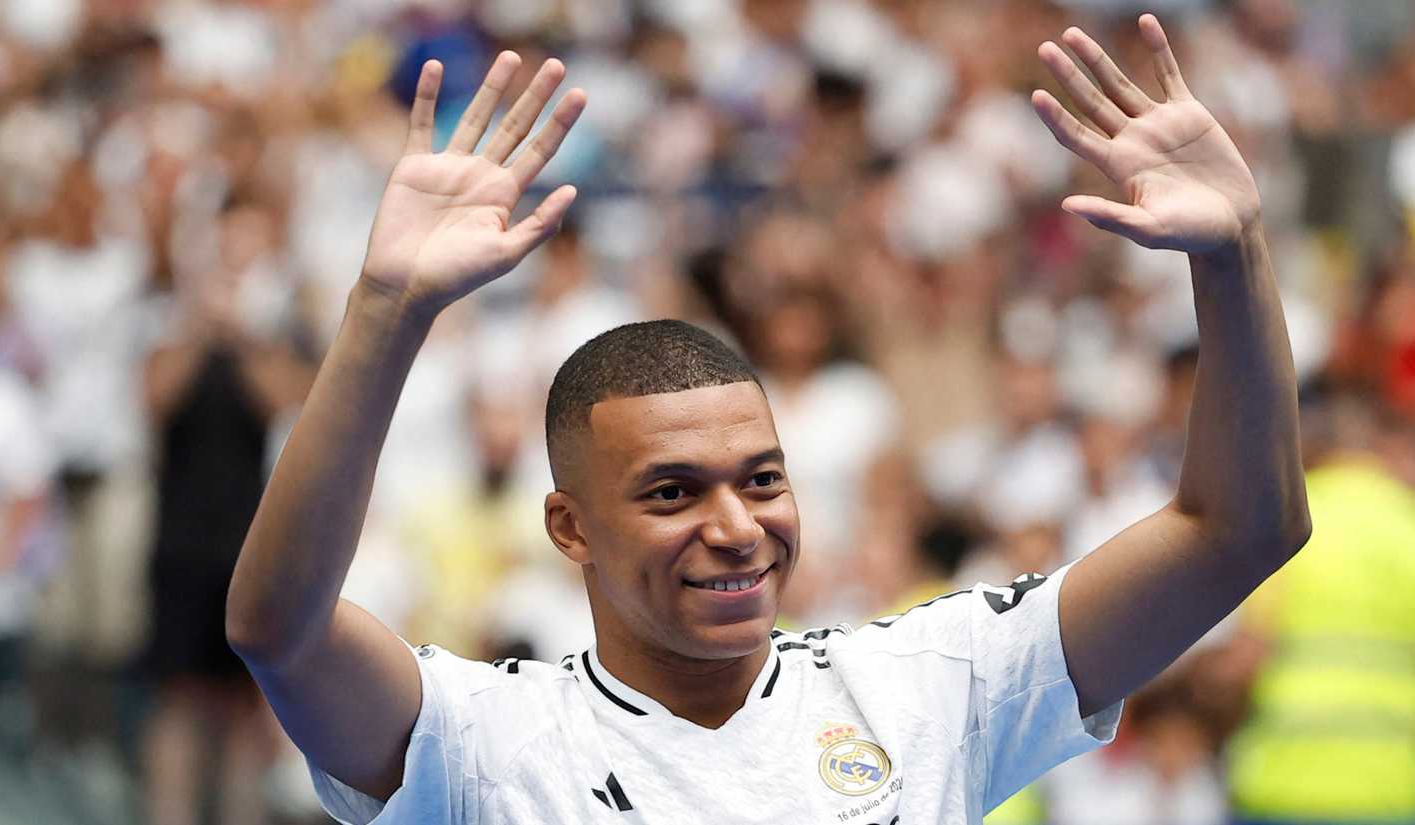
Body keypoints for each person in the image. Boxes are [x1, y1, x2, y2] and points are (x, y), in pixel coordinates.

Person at [225, 16, 1311, 824]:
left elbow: (1237, 533)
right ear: (570, 529)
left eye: (760, 478)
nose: (736, 524)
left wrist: (1235, 255)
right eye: (670, 492)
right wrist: (384, 311)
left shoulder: (930, 687)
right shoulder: (485, 740)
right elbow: (282, 631)